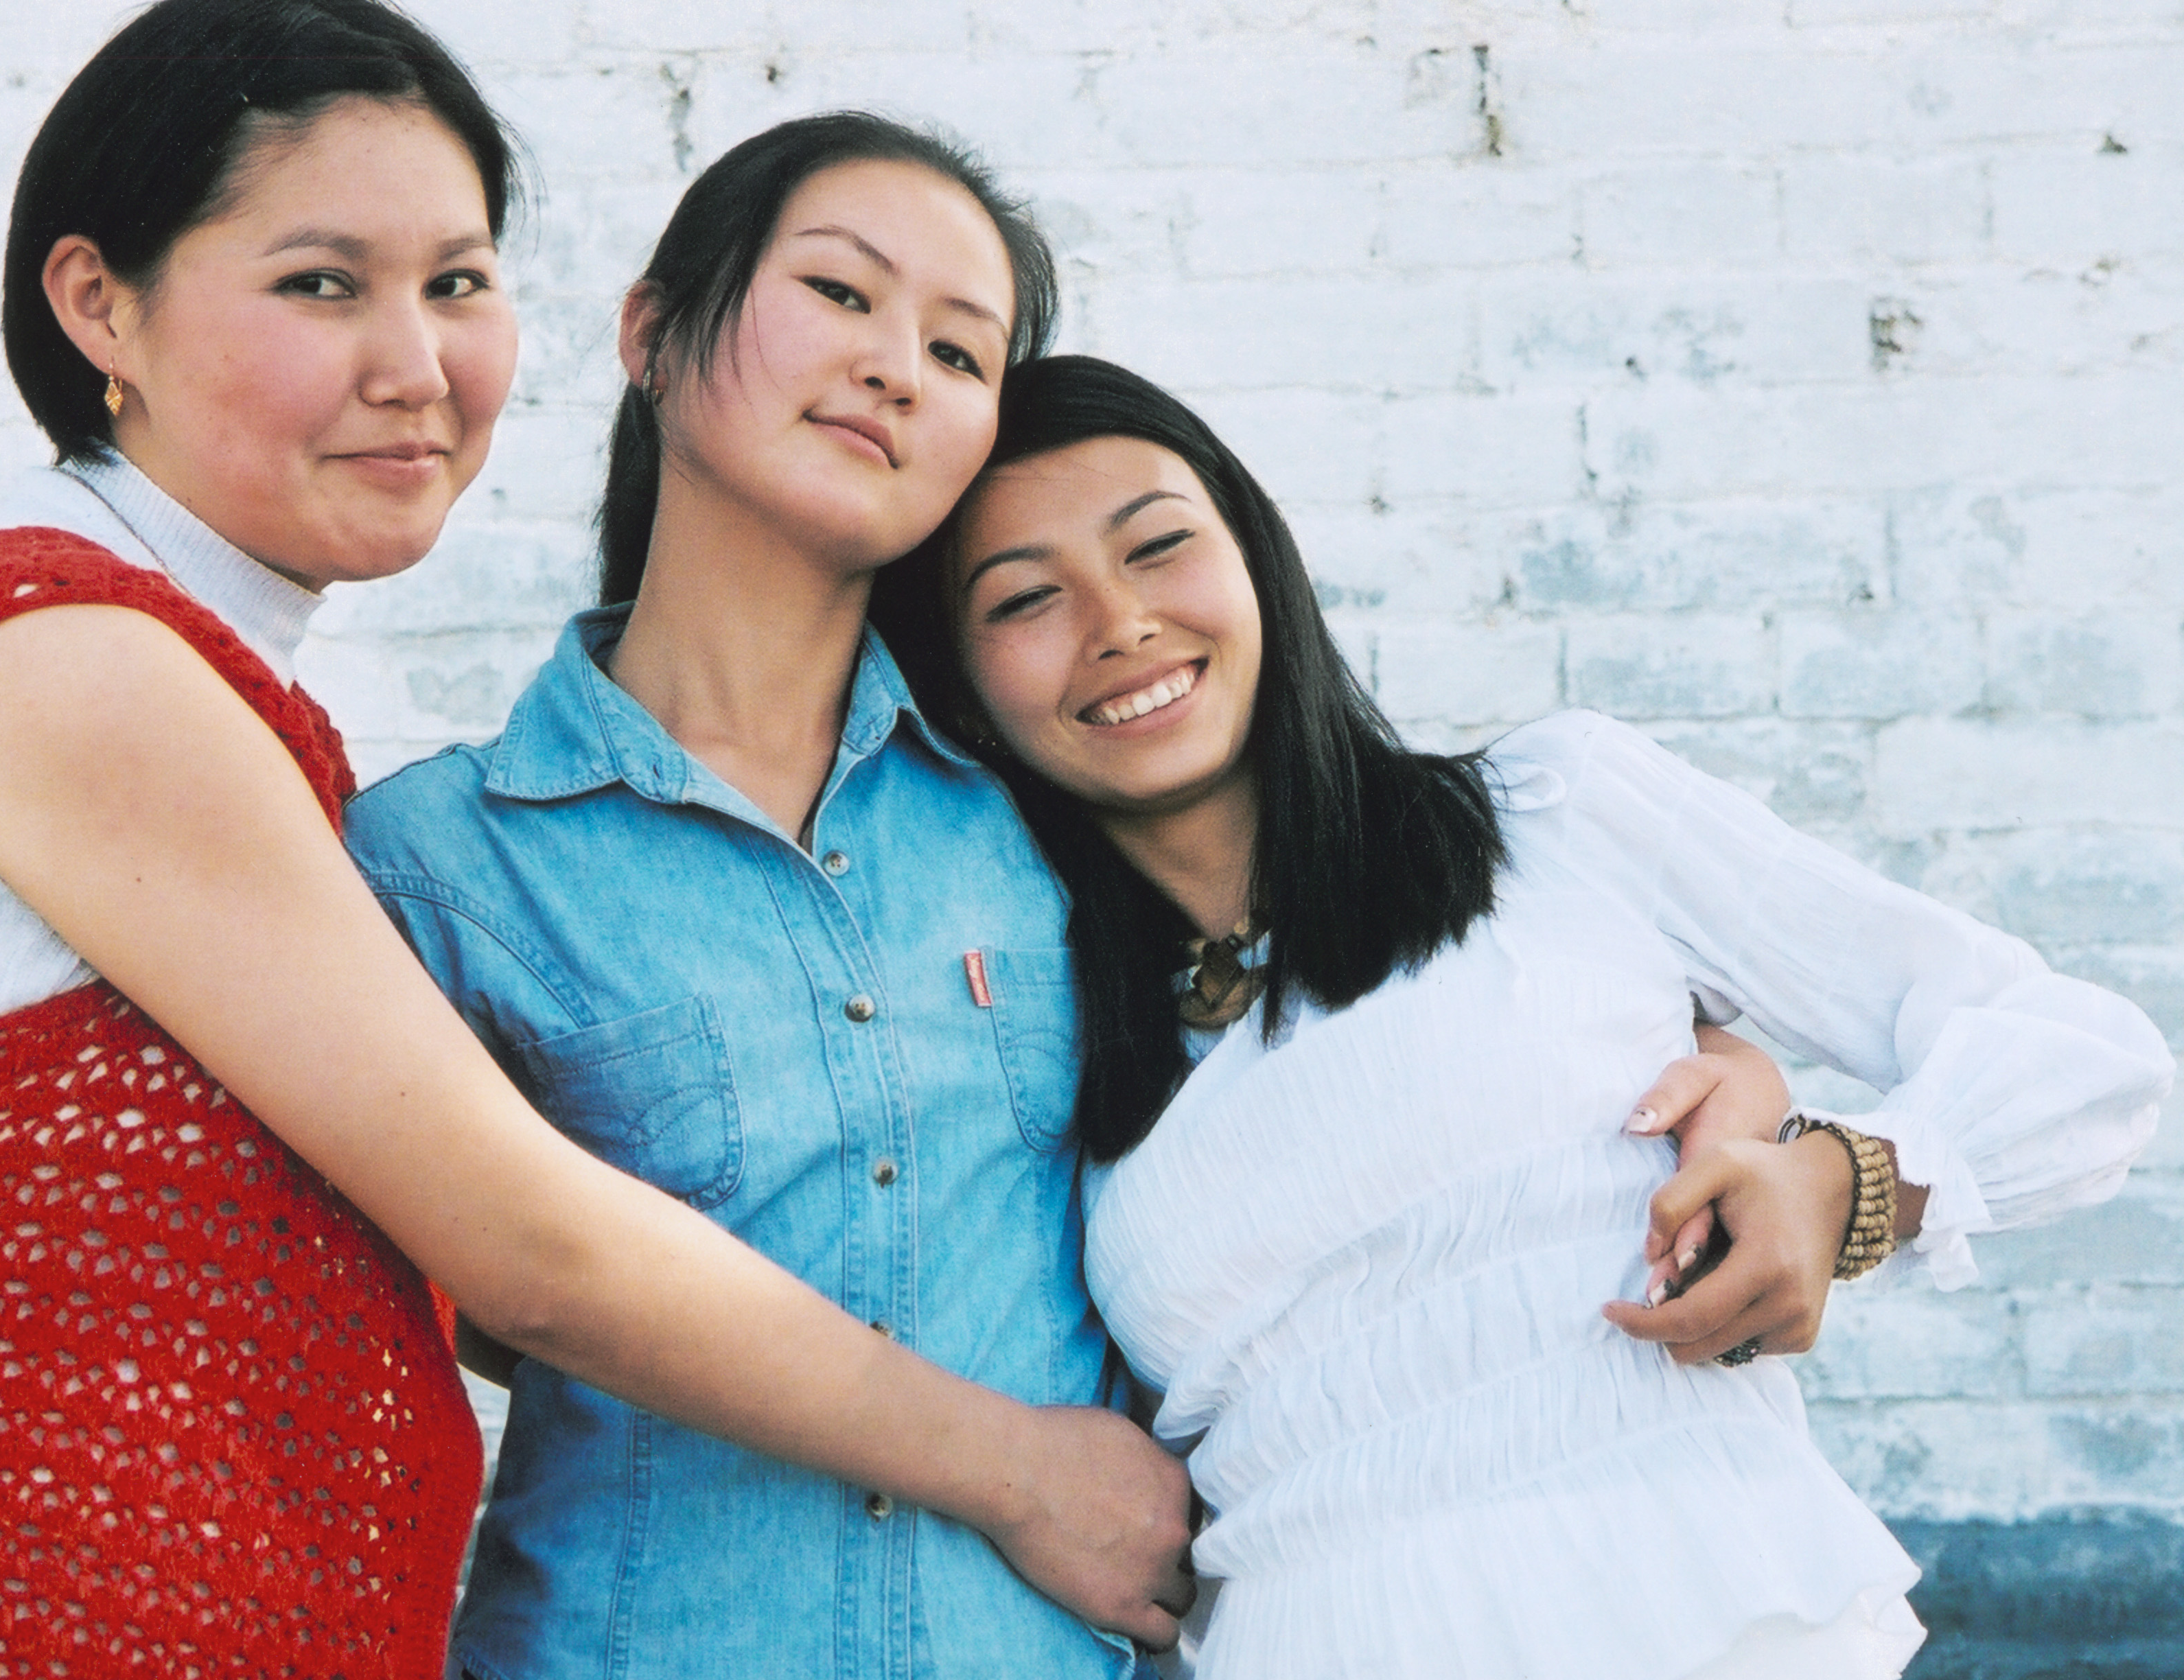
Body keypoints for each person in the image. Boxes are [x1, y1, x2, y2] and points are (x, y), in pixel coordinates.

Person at [0, 8, 1204, 1673]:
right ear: (102, 303)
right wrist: (1026, 1473)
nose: (417, 363)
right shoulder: (80, 664)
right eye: (323, 282)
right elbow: (529, 1244)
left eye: (456, 284)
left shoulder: (242, 740)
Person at [338, 117, 1802, 1680]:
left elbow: (1370, 1019)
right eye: (841, 295)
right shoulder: (440, 864)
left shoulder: (1049, 794)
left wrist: (1745, 1087)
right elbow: (482, 1298)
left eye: (960, 352)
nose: (899, 367)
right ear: (652, 329)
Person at [876, 353, 2176, 1679]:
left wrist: (1844, 1182)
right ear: (958, 687)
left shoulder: (1554, 820)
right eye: (1028, 599)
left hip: (1694, 1619)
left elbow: (2082, 1054)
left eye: (1159, 547)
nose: (1120, 622)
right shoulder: (1020, 1035)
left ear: (1256, 556)